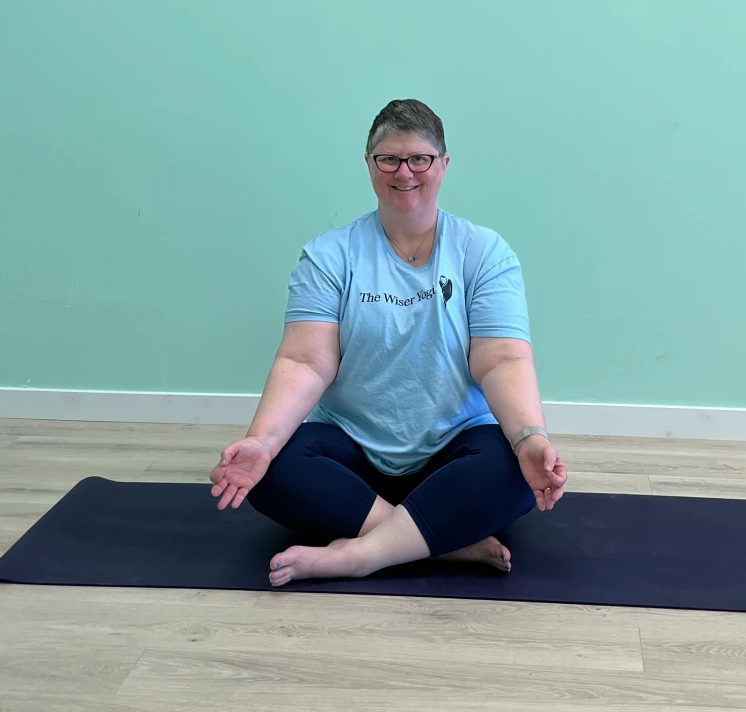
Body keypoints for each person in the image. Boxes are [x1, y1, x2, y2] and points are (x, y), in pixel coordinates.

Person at [210, 99, 568, 588]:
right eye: (389, 159)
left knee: (516, 472)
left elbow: (501, 358)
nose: (405, 172)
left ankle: (361, 554)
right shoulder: (329, 254)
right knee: (269, 470)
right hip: (355, 452)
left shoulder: (484, 252)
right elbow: (305, 360)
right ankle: (446, 543)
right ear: (369, 164)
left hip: (454, 449)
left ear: (443, 165)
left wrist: (530, 436)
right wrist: (261, 441)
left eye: (420, 158)